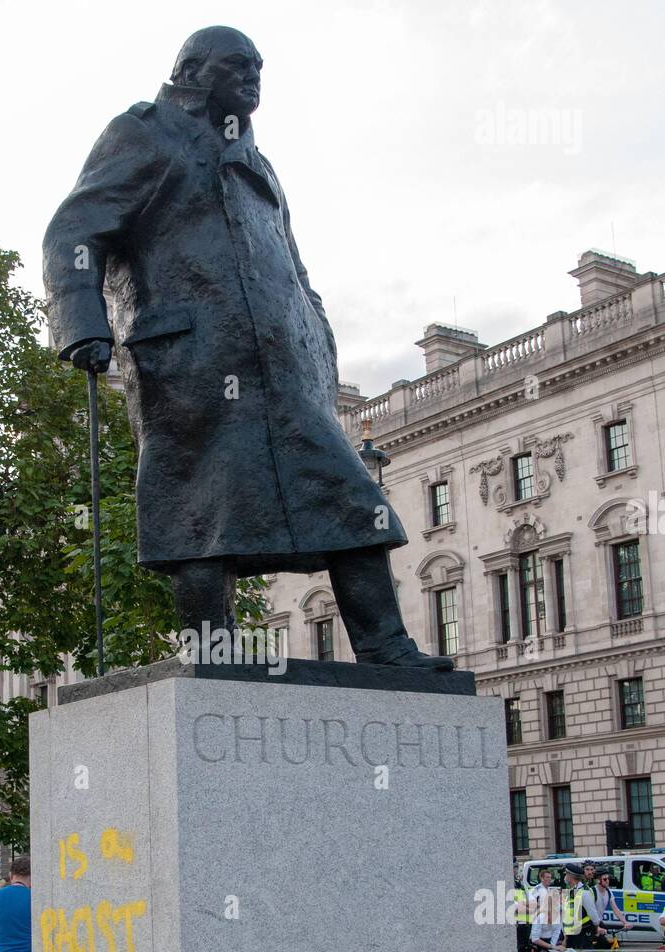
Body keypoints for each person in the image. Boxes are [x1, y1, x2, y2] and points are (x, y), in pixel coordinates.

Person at [43, 26, 453, 673]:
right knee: (200, 513)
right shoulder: (142, 133)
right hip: (187, 362)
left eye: (258, 68)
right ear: (191, 71)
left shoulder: (259, 163)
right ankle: (210, 654)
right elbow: (72, 231)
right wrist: (80, 321)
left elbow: (292, 269)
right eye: (239, 67)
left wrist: (316, 342)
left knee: (349, 497)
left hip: (281, 369)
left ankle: (384, 646)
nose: (253, 79)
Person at [562, 863, 608, 949]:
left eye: (566, 874)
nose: (565, 877)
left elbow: (592, 913)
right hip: (572, 933)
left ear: (570, 876)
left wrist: (597, 927)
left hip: (583, 932)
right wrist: (565, 936)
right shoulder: (570, 891)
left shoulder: (584, 891)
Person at [528, 868, 563, 952]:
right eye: (547, 877)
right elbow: (530, 903)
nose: (549, 879)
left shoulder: (549, 890)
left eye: (550, 877)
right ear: (541, 878)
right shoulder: (536, 889)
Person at [593, 867, 631, 939]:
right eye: (605, 879)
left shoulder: (608, 891)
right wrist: (596, 928)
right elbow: (589, 912)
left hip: (599, 922)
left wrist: (625, 922)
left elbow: (616, 909)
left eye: (608, 879)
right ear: (598, 880)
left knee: (608, 943)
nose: (607, 881)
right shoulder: (592, 892)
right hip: (590, 924)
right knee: (601, 945)